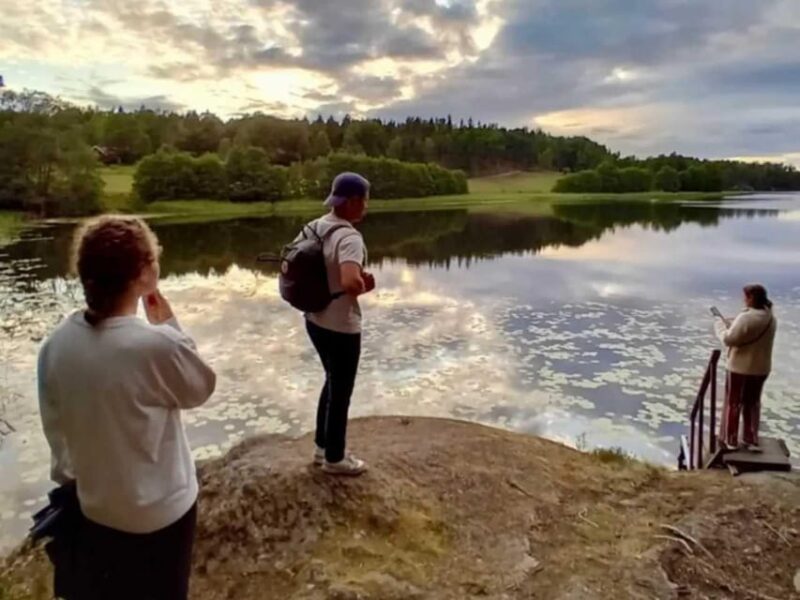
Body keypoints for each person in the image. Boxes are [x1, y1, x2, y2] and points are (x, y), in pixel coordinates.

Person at [37, 216, 216, 599]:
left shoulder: (55, 346)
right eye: (153, 260)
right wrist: (168, 323)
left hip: (97, 511)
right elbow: (200, 388)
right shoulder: (155, 346)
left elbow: (59, 439)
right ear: (144, 274)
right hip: (163, 513)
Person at [302, 172, 375, 476]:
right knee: (341, 388)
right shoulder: (349, 237)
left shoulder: (313, 227)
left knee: (331, 379)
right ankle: (335, 458)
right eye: (365, 202)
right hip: (341, 325)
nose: (366, 208)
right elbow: (349, 280)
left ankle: (322, 447)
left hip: (313, 318)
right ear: (353, 202)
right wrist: (363, 285)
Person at [714, 284, 777, 453]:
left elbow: (729, 339)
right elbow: (749, 333)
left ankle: (731, 440)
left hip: (740, 368)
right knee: (752, 403)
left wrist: (720, 327)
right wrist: (735, 325)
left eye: (745, 297)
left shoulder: (747, 317)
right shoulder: (770, 317)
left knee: (734, 403)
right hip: (761, 368)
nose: (744, 300)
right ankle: (750, 439)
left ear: (750, 298)